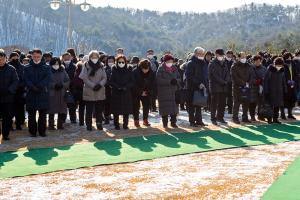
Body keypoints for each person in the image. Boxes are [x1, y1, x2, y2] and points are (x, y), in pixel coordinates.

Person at [24, 48, 51, 137]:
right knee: (31, 115)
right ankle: (32, 132)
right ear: (31, 56)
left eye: (38, 57)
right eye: (34, 56)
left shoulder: (46, 67)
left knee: (42, 115)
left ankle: (42, 131)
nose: (36, 58)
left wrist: (39, 86)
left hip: (42, 93)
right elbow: (26, 79)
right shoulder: (27, 67)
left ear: (41, 56)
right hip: (31, 93)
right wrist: (32, 87)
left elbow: (48, 79)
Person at [79, 50, 107, 131]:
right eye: (92, 57)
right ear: (90, 57)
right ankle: (89, 124)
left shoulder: (101, 65)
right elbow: (84, 78)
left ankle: (99, 124)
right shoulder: (86, 65)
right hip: (89, 90)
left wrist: (100, 84)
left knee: (99, 109)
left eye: (96, 57)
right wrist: (93, 85)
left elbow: (104, 77)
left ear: (98, 57)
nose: (94, 58)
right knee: (89, 110)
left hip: (100, 90)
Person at [110, 55, 134, 130]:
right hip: (116, 92)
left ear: (125, 62)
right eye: (119, 62)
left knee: (126, 110)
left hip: (126, 92)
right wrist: (117, 86)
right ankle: (116, 124)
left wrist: (126, 87)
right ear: (117, 62)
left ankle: (125, 124)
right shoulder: (114, 69)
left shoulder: (129, 69)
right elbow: (111, 81)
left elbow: (132, 81)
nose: (121, 63)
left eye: (122, 62)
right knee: (116, 110)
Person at [156, 54, 181, 128]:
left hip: (174, 92)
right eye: (169, 61)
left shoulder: (174, 68)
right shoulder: (161, 69)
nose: (170, 62)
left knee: (174, 109)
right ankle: (165, 123)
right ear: (165, 61)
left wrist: (176, 81)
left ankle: (173, 122)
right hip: (164, 92)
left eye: (171, 61)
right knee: (165, 109)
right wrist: (169, 81)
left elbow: (179, 78)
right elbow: (158, 80)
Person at [185, 47, 208, 127]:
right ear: (195, 54)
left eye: (203, 54)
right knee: (191, 105)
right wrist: (198, 84)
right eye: (200, 53)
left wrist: (205, 84)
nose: (202, 55)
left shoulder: (203, 63)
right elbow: (189, 76)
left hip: (202, 87)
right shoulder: (191, 63)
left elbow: (205, 75)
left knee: (199, 104)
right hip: (192, 88)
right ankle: (192, 121)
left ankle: (199, 121)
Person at [208, 49, 230, 125]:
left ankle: (220, 117)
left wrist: (226, 81)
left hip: (223, 87)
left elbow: (227, 73)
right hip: (215, 87)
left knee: (222, 103)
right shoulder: (212, 63)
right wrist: (223, 82)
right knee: (214, 104)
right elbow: (214, 75)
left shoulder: (224, 63)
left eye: (222, 55)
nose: (221, 56)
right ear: (216, 54)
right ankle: (213, 118)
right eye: (220, 55)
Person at [0, 50, 19, 141]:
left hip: (8, 97)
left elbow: (16, 81)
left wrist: (10, 90)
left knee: (7, 117)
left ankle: (5, 134)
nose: (0, 61)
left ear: (6, 59)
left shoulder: (11, 69)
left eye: (2, 59)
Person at [48, 57, 70, 130]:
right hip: (52, 93)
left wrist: (63, 85)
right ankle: (51, 125)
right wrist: (54, 85)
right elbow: (46, 81)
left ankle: (60, 125)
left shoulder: (62, 70)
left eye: (57, 64)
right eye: (54, 64)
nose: (56, 65)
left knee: (61, 110)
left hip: (62, 93)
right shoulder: (48, 71)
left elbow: (67, 80)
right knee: (51, 110)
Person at [231, 52, 253, 124]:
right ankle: (235, 118)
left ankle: (245, 118)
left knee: (246, 103)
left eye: (245, 57)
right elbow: (235, 77)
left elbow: (251, 76)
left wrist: (249, 83)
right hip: (237, 88)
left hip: (247, 88)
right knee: (236, 103)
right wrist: (244, 83)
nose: (244, 58)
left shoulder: (249, 66)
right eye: (242, 57)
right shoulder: (234, 66)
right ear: (239, 58)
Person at [132, 59, 155, 127]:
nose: (145, 71)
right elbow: (133, 84)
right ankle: (136, 120)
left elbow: (153, 83)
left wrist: (147, 91)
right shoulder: (134, 72)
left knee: (146, 106)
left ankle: (145, 120)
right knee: (136, 107)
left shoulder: (151, 72)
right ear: (141, 67)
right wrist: (140, 92)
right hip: (136, 92)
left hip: (147, 92)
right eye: (144, 69)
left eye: (147, 69)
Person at [264, 57, 287, 124]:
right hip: (271, 91)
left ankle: (275, 119)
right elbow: (266, 81)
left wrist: (285, 90)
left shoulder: (282, 71)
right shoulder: (270, 70)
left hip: (279, 91)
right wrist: (266, 90)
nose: (280, 66)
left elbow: (284, 81)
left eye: (281, 65)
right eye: (278, 65)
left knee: (277, 105)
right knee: (270, 106)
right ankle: (269, 119)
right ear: (275, 64)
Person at [8, 52, 25, 130]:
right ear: (10, 58)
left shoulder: (22, 67)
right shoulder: (8, 67)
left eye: (16, 57)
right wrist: (12, 87)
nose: (15, 58)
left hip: (19, 91)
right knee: (10, 110)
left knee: (19, 109)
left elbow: (24, 78)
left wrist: (20, 86)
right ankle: (10, 125)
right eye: (13, 57)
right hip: (9, 92)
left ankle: (18, 124)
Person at [249, 55, 267, 121]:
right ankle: (252, 116)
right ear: (253, 61)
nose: (258, 62)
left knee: (261, 103)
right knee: (252, 103)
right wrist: (256, 81)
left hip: (261, 88)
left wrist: (263, 81)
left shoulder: (264, 68)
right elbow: (249, 78)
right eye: (256, 61)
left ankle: (260, 115)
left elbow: (266, 77)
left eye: (259, 61)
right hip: (253, 88)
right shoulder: (250, 68)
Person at [281, 52, 297, 120]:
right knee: (284, 100)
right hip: (285, 85)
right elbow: (282, 75)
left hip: (292, 84)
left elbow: (295, 73)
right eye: (288, 57)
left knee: (292, 99)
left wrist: (294, 81)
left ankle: (290, 114)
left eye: (290, 57)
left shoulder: (293, 64)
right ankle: (283, 114)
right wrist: (287, 82)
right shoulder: (282, 65)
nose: (289, 58)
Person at [62, 52, 77, 123]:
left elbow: (75, 77)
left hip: (72, 88)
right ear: (63, 59)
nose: (67, 59)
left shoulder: (74, 66)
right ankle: (63, 119)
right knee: (63, 104)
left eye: (68, 58)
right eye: (65, 58)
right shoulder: (60, 66)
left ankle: (73, 119)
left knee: (72, 105)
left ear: (71, 58)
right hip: (62, 88)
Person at [72, 60, 86, 126]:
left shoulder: (75, 73)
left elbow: (73, 83)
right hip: (83, 92)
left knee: (75, 107)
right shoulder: (84, 73)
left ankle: (76, 120)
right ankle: (82, 121)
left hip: (75, 93)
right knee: (82, 108)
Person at [103, 56, 115, 124]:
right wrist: (108, 84)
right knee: (106, 104)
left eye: (112, 61)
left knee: (114, 104)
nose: (110, 62)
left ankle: (114, 117)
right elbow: (103, 79)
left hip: (115, 89)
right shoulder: (104, 69)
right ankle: (106, 118)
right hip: (106, 89)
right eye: (109, 61)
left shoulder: (116, 68)